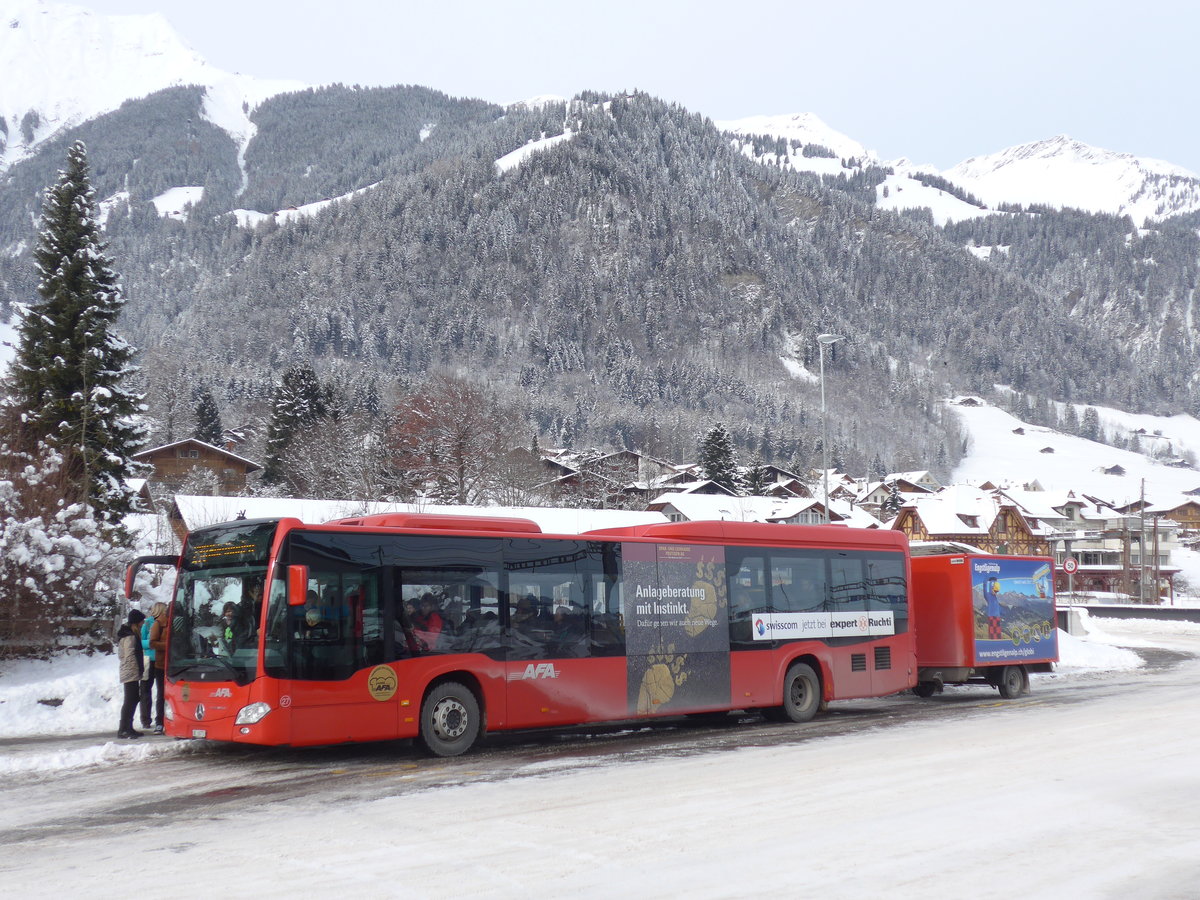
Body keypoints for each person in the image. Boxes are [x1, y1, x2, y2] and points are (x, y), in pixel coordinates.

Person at [117, 609, 146, 739]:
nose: (142, 623)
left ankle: (128, 727)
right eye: (141, 621)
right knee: (130, 699)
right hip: (130, 671)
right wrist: (135, 669)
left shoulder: (127, 634)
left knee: (133, 699)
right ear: (136, 622)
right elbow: (129, 655)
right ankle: (124, 728)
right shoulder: (130, 636)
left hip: (130, 670)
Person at [142, 601, 168, 734]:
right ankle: (146, 719)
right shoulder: (149, 623)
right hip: (150, 660)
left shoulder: (168, 623)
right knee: (147, 689)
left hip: (161, 661)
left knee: (161, 691)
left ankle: (162, 719)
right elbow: (143, 641)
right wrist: (158, 643)